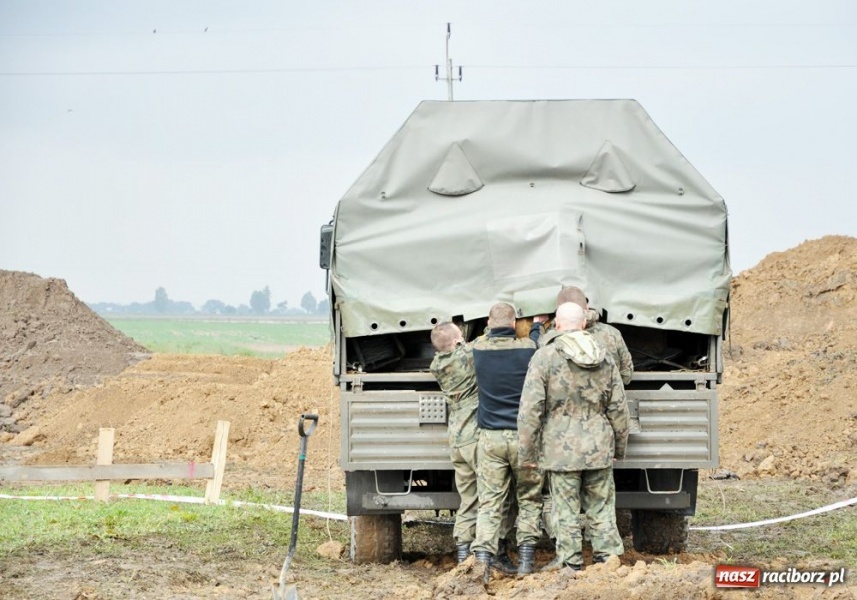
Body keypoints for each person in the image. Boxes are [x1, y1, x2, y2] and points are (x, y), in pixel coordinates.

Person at [518, 302, 629, 571]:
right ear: (583, 323)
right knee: (601, 507)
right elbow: (618, 408)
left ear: (557, 325)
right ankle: (608, 561)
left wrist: (528, 453)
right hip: (598, 444)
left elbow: (530, 409)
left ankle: (570, 563)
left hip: (560, 447)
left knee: (565, 509)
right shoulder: (606, 357)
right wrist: (619, 447)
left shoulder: (545, 357)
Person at [469, 302, 543, 580]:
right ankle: (526, 562)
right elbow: (536, 340)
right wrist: (536, 324)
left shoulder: (478, 348)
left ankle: (483, 564)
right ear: (514, 324)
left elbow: (480, 338)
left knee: (489, 504)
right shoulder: (527, 349)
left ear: (489, 324)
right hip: (525, 439)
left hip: (491, 439)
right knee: (529, 500)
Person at [429, 322, 481, 563]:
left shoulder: (437, 364)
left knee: (468, 497)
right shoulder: (466, 357)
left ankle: (463, 551)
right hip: (474, 435)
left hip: (457, 439)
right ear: (457, 342)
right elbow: (486, 343)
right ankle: (486, 552)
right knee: (491, 496)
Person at [533, 286, 634, 385]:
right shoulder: (613, 334)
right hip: (607, 400)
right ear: (587, 307)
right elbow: (626, 376)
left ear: (559, 312)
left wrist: (538, 325)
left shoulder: (548, 339)